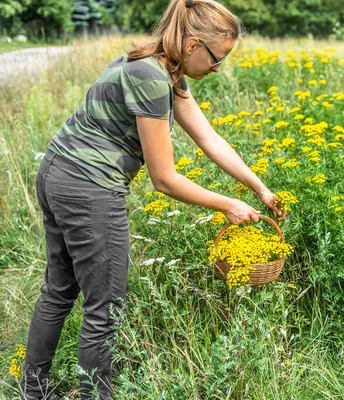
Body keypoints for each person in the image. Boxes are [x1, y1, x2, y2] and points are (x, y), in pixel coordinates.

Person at [22, 0, 285, 398]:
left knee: (59, 291)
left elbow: (209, 138)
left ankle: (32, 390)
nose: (218, 68)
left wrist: (258, 187)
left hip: (58, 173)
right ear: (193, 43)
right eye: (218, 58)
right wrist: (227, 204)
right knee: (105, 306)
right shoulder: (150, 77)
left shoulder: (155, 66)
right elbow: (164, 179)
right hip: (89, 187)